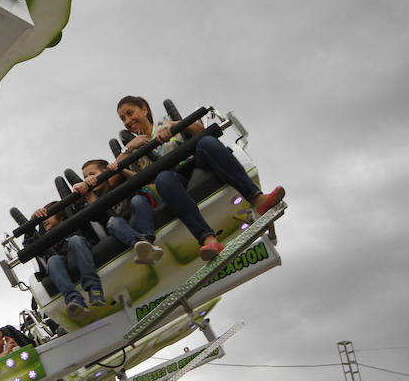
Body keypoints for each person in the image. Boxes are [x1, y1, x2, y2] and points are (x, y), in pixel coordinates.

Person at [113, 96, 285, 260]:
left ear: (144, 109)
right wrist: (128, 149)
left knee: (207, 142)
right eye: (122, 119)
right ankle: (207, 239)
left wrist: (174, 126)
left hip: (195, 164)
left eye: (130, 113)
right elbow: (114, 171)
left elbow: (201, 132)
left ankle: (257, 198)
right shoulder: (135, 150)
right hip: (174, 180)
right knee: (163, 179)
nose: (127, 121)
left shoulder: (165, 122)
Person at [72, 159, 165, 265]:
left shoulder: (121, 182)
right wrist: (87, 192)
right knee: (113, 222)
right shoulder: (93, 199)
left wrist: (120, 169)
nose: (88, 179)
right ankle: (141, 244)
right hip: (121, 230)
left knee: (138, 200)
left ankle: (148, 240)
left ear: (104, 172)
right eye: (85, 177)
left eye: (92, 174)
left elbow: (142, 180)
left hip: (138, 219)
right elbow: (96, 212)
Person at [28, 205, 106, 316]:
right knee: (53, 261)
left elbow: (83, 209)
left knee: (75, 240)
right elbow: (29, 245)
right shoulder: (45, 239)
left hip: (81, 252)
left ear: (61, 217)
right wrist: (32, 221)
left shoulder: (74, 223)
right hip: (62, 262)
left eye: (48, 217)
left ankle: (94, 287)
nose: (44, 222)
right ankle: (73, 299)